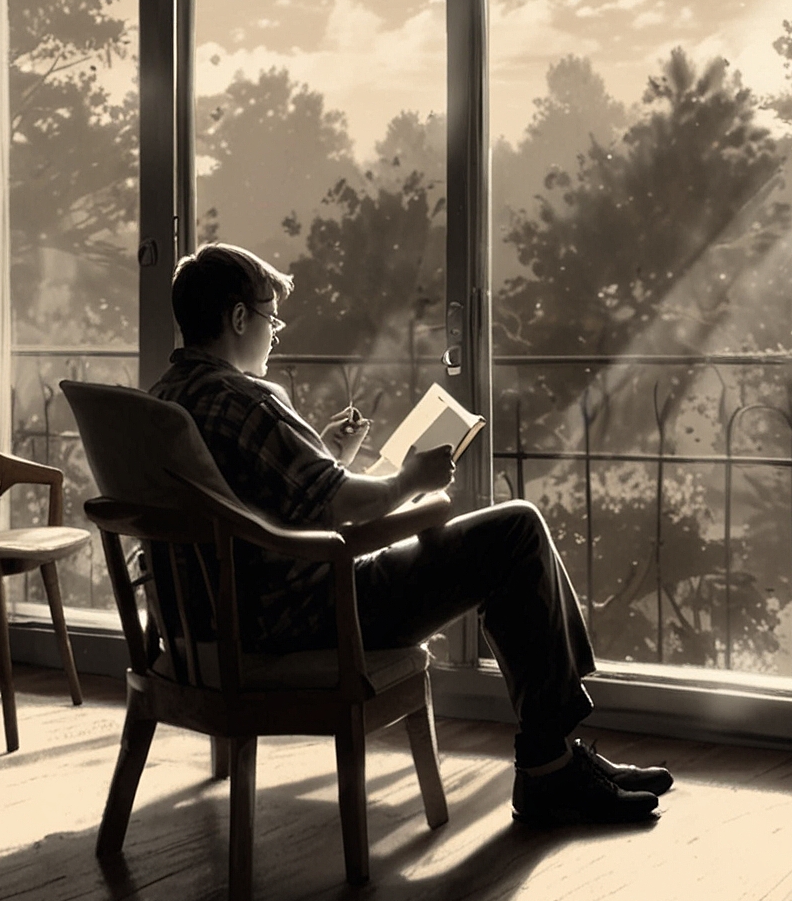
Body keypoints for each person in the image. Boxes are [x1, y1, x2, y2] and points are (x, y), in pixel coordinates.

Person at [150, 242, 673, 825]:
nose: (276, 332)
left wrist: (326, 454)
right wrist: (412, 480)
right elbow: (343, 505)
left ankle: (555, 760)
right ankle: (550, 767)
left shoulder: (163, 403)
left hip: (212, 621)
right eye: (271, 317)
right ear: (238, 318)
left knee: (500, 540)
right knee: (516, 530)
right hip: (305, 617)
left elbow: (249, 508)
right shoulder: (244, 402)